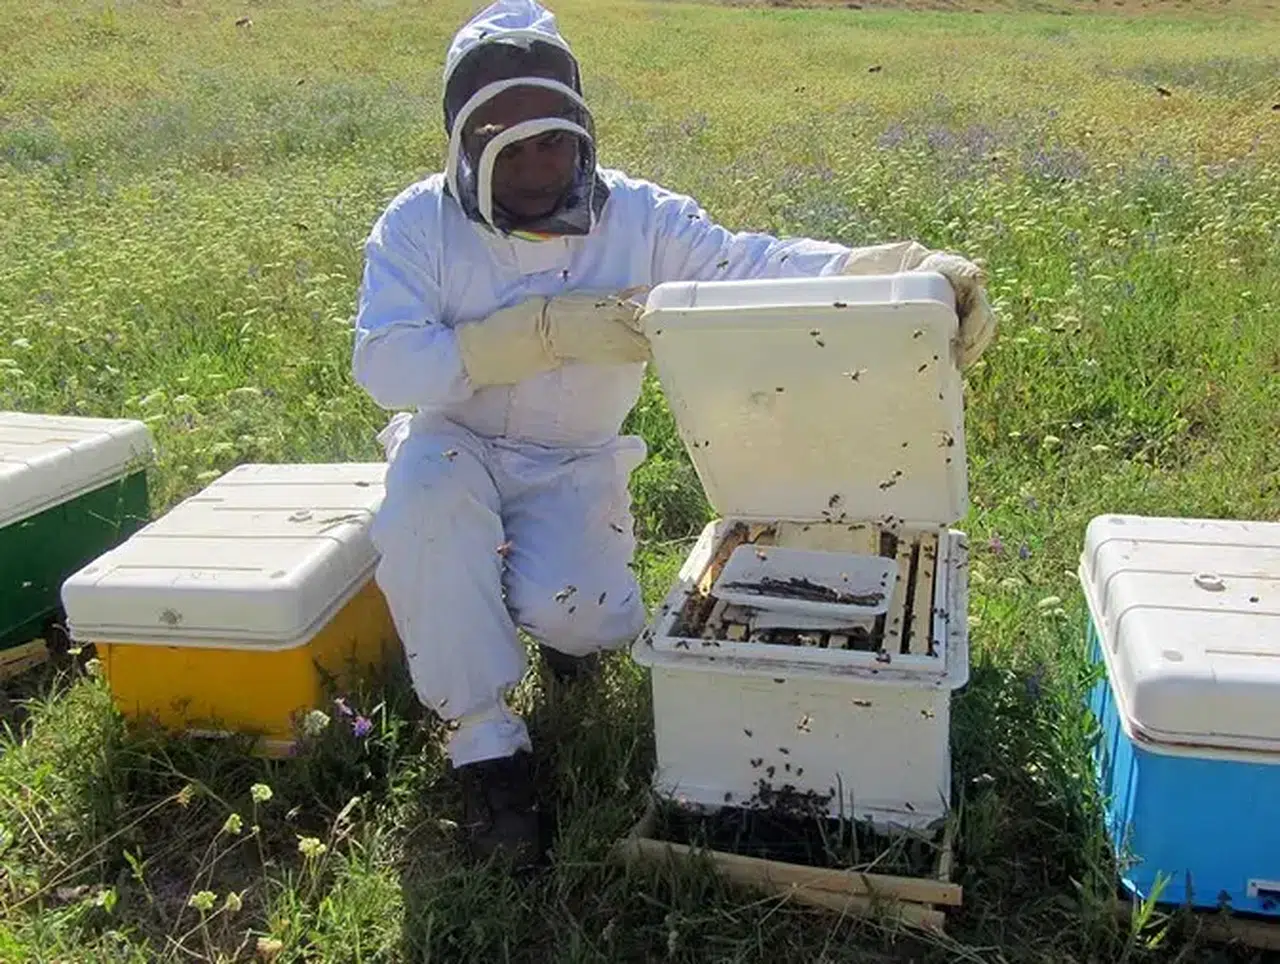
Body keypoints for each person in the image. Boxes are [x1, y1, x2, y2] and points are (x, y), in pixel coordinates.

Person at [351, 0, 995, 869]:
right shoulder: (417, 226)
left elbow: (747, 265)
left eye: (554, 140)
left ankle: (545, 626)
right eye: (509, 143)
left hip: (575, 459)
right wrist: (534, 333)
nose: (539, 166)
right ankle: (486, 744)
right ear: (464, 145)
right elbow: (386, 366)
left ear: (582, 131)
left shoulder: (642, 218)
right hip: (453, 443)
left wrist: (894, 270)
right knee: (425, 504)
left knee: (591, 619)